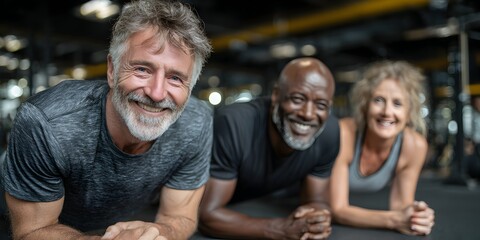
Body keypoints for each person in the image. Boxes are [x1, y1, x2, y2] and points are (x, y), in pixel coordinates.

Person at [1, 0, 212, 239]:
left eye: (175, 78)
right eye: (142, 69)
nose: (156, 93)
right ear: (112, 70)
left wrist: (160, 232)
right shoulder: (47, 123)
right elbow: (32, 230)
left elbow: (180, 218)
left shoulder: (196, 123)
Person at [199, 57, 339, 240]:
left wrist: (317, 219)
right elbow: (207, 215)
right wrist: (280, 229)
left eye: (321, 105)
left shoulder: (329, 132)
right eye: (297, 99)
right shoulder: (235, 124)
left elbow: (318, 202)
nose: (308, 114)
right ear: (276, 95)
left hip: (260, 202)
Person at [329, 60, 435, 235]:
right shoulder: (344, 134)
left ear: (409, 113)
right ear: (364, 106)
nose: (387, 112)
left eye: (398, 103)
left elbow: (401, 209)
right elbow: (337, 209)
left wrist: (416, 217)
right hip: (289, 194)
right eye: (378, 100)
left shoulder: (414, 146)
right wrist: (393, 220)